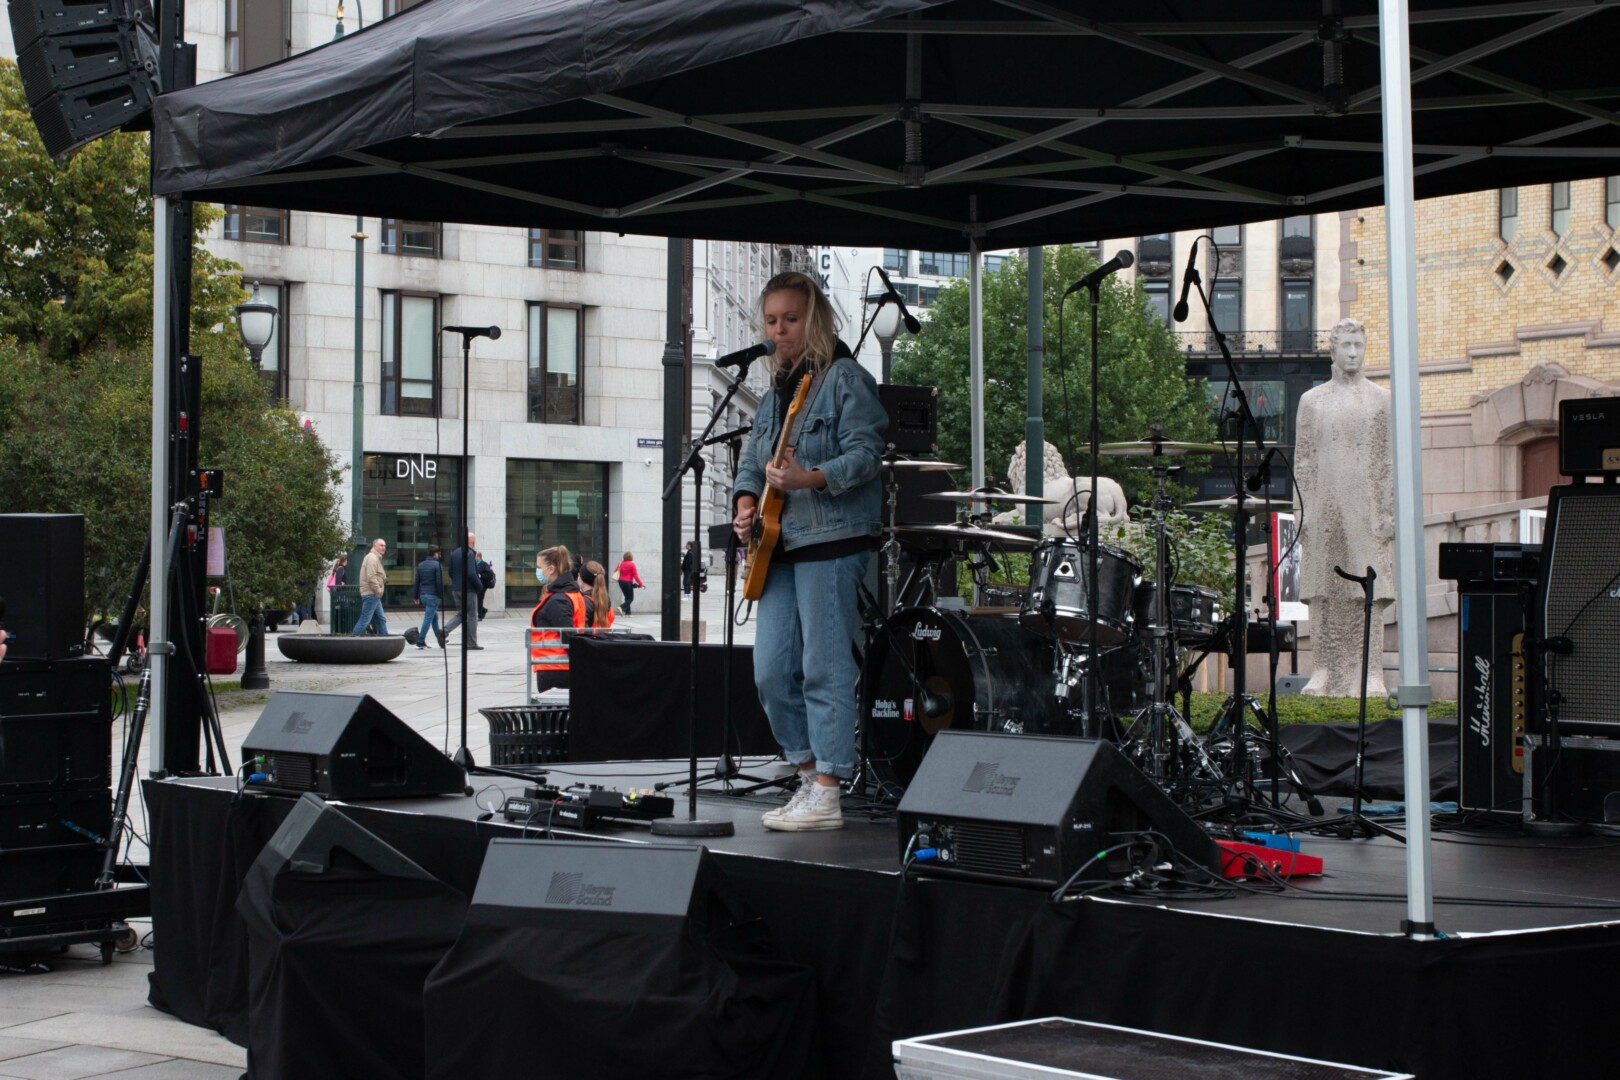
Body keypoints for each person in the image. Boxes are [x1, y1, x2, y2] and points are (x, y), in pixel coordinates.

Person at [731, 270, 885, 832]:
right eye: (771, 321)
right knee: (770, 670)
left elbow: (868, 453)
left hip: (833, 538)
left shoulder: (845, 378)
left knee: (823, 668)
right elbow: (753, 458)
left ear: (814, 319)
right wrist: (747, 503)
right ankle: (806, 770)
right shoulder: (777, 387)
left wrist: (811, 477)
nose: (779, 331)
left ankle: (830, 785)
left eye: (790, 320)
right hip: (779, 542)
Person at [1294, 318, 1396, 697]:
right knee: (1322, 590)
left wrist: (1389, 512)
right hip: (1323, 506)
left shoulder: (1380, 400)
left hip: (1366, 508)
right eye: (1346, 345)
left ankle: (1370, 673)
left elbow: (1388, 460)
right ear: (1332, 350)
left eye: (1358, 345)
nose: (1353, 352)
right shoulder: (1312, 401)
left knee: (1366, 590)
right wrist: (1301, 511)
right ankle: (1322, 669)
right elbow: (1302, 460)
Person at [530, 545, 593, 693]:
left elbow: (569, 636)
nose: (538, 571)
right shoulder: (570, 594)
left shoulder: (558, 599)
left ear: (551, 569)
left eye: (539, 567)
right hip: (563, 668)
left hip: (555, 669)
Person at [440, 532, 482, 649]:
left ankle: (444, 630)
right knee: (472, 616)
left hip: (456, 589)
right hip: (468, 590)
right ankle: (471, 643)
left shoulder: (455, 553)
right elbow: (471, 573)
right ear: (472, 542)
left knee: (462, 614)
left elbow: (450, 572)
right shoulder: (469, 554)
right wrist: (479, 586)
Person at [350, 538, 389, 635]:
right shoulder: (372, 557)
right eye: (381, 545)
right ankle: (351, 641)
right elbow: (371, 577)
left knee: (381, 620)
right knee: (364, 620)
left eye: (384, 546)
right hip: (372, 594)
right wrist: (378, 591)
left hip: (374, 594)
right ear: (374, 546)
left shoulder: (375, 557)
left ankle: (385, 641)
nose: (383, 548)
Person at [412, 545, 444, 649]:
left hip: (423, 595)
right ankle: (420, 641)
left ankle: (440, 640)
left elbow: (417, 582)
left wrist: (415, 596)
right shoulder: (437, 565)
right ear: (435, 554)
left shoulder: (421, 565)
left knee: (434, 618)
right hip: (433, 595)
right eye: (439, 554)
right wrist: (441, 595)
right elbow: (439, 582)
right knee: (428, 619)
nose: (440, 555)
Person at [580, 561, 615, 628]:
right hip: (602, 637)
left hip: (589, 637)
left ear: (581, 579)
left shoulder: (584, 602)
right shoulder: (605, 600)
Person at [614, 550, 645, 615]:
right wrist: (641, 584)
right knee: (631, 598)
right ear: (630, 557)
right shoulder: (632, 564)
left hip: (621, 582)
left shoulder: (620, 563)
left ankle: (628, 613)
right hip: (628, 582)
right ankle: (621, 607)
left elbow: (616, 571)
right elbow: (635, 576)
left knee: (627, 597)